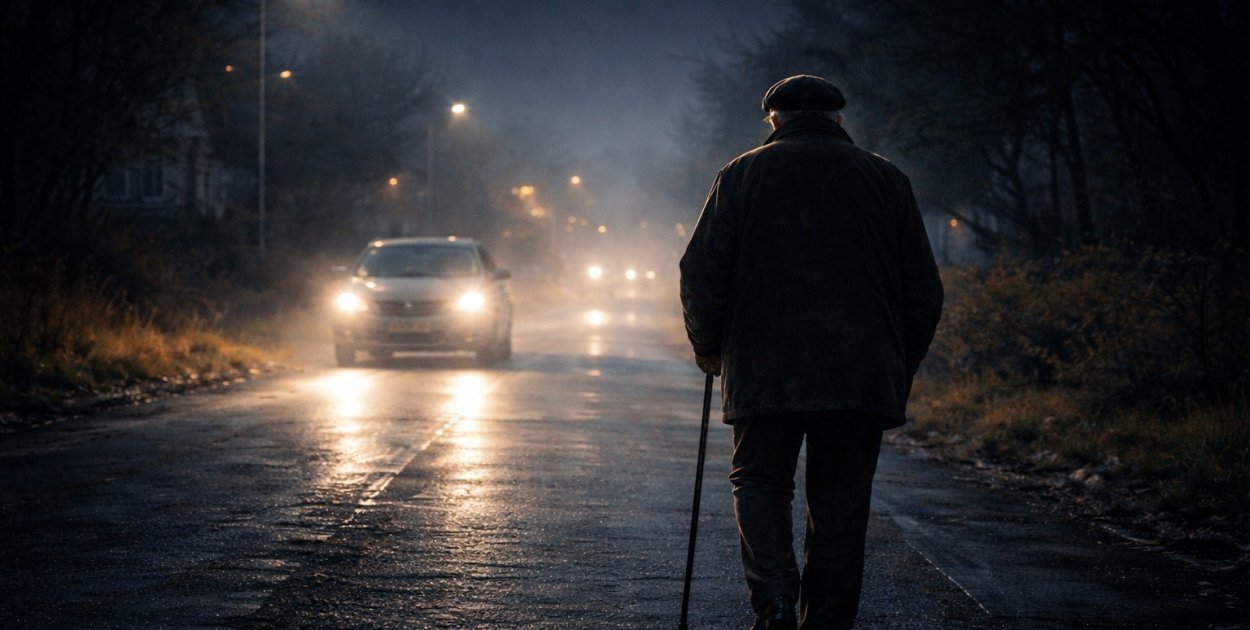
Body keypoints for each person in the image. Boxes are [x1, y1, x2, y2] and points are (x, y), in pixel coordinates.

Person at [679, 75, 943, 629]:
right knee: (841, 506)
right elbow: (922, 291)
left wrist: (708, 347)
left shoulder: (742, 174)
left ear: (773, 119)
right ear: (839, 119)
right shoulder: (886, 179)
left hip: (765, 369)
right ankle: (825, 623)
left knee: (759, 480)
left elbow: (701, 271)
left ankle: (774, 600)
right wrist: (898, 366)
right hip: (860, 373)